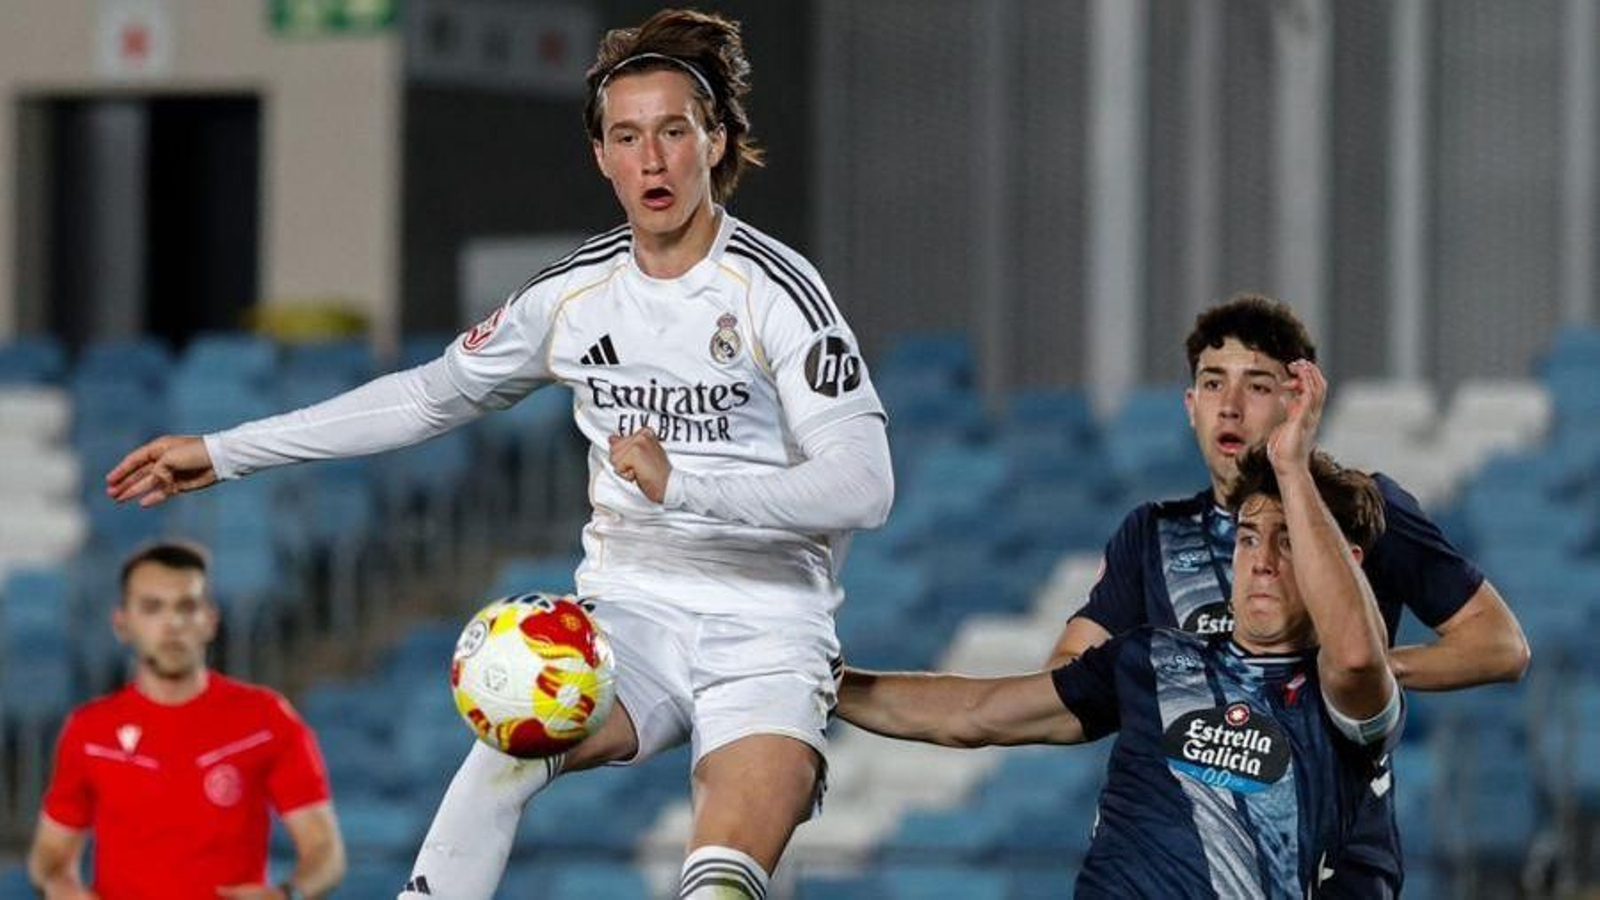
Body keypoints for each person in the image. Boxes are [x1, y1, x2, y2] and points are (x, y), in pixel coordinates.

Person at [105, 9, 892, 899]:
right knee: (502, 749)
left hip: (767, 630)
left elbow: (863, 487)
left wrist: (688, 487)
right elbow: (425, 397)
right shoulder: (571, 297)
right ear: (601, 157)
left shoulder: (778, 292)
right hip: (631, 618)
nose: (652, 160)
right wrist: (226, 450)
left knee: (718, 879)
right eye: (627, 137)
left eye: (674, 132)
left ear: (713, 142)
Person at [840, 362, 1402, 896]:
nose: (1260, 561)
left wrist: (1292, 468)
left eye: (1288, 542)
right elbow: (973, 712)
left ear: (1344, 562)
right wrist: (827, 685)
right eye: (1250, 537)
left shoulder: (1347, 705)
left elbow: (1355, 655)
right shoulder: (1148, 657)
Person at [1044, 294, 1529, 896]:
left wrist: (1360, 674)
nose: (1230, 405)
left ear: (1297, 402)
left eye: (1257, 385)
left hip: (1341, 864)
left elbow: (1501, 645)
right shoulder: (1153, 534)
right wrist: (1183, 689)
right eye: (1213, 383)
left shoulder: (1360, 512)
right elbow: (1067, 669)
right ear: (1190, 406)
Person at [27, 541, 345, 900]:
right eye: (152, 607)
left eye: (187, 606)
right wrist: (61, 885)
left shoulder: (266, 719)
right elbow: (50, 853)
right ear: (122, 623)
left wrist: (289, 894)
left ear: (210, 620)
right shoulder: (89, 731)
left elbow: (325, 851)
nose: (173, 623)